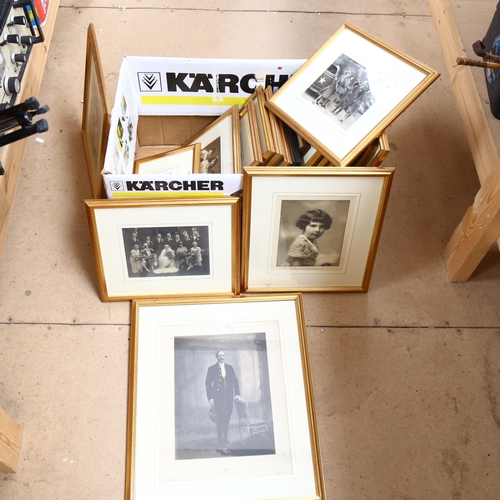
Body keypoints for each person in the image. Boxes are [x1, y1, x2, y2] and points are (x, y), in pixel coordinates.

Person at [205, 350, 242, 455]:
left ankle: (225, 439)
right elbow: (208, 384)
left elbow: (235, 381)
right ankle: (220, 443)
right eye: (219, 355)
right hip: (218, 398)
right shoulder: (211, 369)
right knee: (220, 420)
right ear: (216, 357)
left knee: (227, 418)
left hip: (228, 398)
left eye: (223, 355)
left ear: (225, 356)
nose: (221, 357)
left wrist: (237, 394)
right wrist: (210, 398)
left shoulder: (230, 368)